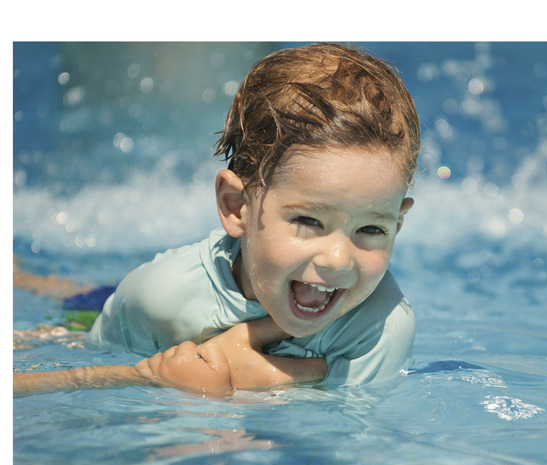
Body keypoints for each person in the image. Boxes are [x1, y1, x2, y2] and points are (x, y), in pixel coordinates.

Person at [13, 43, 420, 398]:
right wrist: (161, 380)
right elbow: (89, 386)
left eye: (370, 229)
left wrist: (245, 380)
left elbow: (350, 430)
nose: (338, 259)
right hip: (108, 309)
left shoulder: (382, 326)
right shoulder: (159, 298)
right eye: (309, 221)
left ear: (397, 224)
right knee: (72, 315)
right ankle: (25, 280)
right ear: (235, 206)